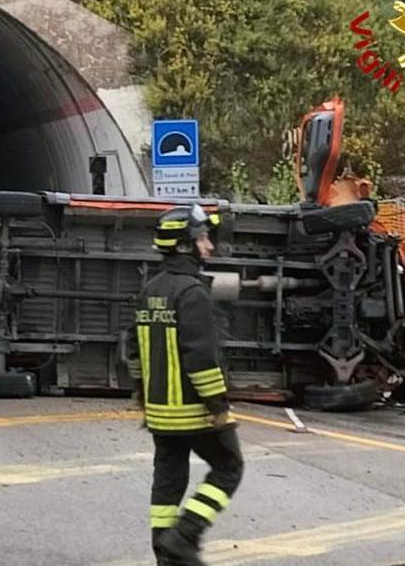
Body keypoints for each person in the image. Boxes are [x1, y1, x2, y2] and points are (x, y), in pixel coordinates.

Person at [125, 203, 244, 566]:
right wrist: (219, 408)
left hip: (161, 414)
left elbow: (133, 352)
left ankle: (166, 554)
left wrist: (143, 397)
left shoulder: (150, 290)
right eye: (203, 238)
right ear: (184, 245)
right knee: (228, 468)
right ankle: (185, 535)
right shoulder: (193, 293)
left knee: (167, 485)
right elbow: (201, 359)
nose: (208, 246)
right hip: (193, 412)